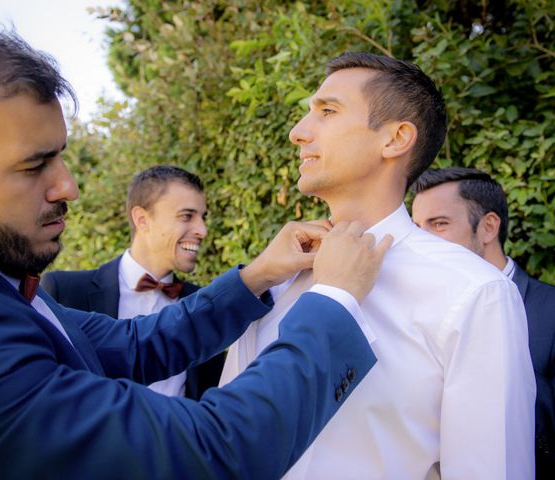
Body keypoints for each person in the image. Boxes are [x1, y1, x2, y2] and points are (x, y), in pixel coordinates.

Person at [0, 23, 394, 479]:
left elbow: (139, 345)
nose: (69, 186)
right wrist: (334, 301)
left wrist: (255, 276)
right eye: (33, 165)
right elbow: (215, 449)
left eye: (61, 156)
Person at [220, 52, 536, 479]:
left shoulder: (473, 292)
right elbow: (227, 439)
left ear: (395, 139)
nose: (298, 133)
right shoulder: (272, 277)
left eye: (327, 111)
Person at [411, 166, 555, 480]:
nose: (420, 242)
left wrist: (502, 359)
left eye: (439, 224)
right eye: (415, 228)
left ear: (488, 227)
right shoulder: (410, 313)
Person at [43, 165, 225, 399]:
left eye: (203, 217)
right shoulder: (64, 291)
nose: (202, 230)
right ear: (142, 219)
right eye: (187, 216)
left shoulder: (206, 306)